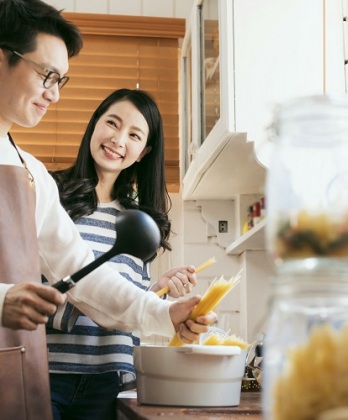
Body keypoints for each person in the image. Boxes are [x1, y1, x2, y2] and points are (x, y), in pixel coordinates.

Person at [0, 1, 216, 419]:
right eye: (46, 75)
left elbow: (85, 273)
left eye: (61, 80)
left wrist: (164, 312)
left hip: (17, 377)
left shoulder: (31, 173)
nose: (55, 93)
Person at [45, 88, 195, 419]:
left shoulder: (139, 221)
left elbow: (126, 305)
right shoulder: (48, 195)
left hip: (110, 379)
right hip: (47, 372)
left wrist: (157, 293)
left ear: (144, 152)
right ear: (94, 124)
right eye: (112, 123)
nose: (118, 139)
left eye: (134, 135)